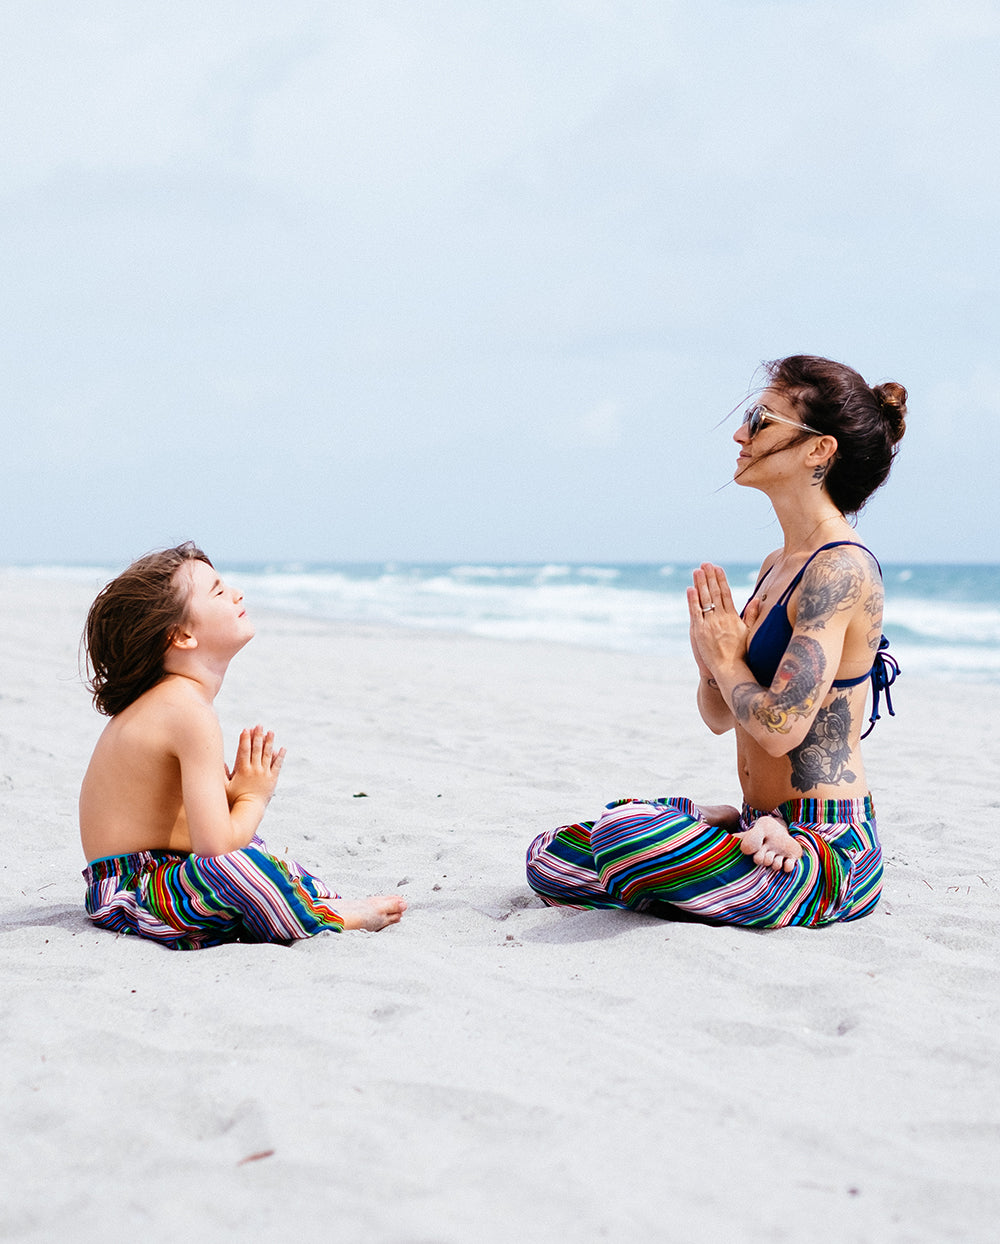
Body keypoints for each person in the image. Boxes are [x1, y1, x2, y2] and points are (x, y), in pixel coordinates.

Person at [526, 355, 906, 928]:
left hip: (826, 848)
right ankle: (723, 830)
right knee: (546, 857)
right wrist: (709, 657)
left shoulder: (841, 570)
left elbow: (781, 731)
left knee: (628, 836)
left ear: (818, 451)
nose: (740, 433)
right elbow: (718, 716)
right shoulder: (778, 563)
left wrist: (729, 658)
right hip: (762, 828)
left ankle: (702, 849)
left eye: (761, 420)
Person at [79, 542, 406, 949]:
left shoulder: (175, 702)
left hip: (152, 877)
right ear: (180, 635)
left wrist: (231, 795)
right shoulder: (187, 711)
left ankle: (306, 900)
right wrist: (253, 796)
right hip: (137, 891)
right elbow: (215, 848)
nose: (237, 593)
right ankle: (324, 915)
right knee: (239, 864)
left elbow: (187, 825)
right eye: (218, 591)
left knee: (258, 854)